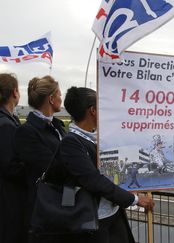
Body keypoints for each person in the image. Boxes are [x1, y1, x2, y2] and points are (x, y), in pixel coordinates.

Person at [44, 86, 154, 242]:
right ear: (93, 111)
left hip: (112, 214)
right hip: (92, 222)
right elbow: (95, 181)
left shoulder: (100, 139)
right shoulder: (72, 143)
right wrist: (134, 200)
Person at [14, 75, 66, 240]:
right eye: (59, 94)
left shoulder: (57, 126)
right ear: (51, 99)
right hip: (45, 211)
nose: (61, 98)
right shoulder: (27, 132)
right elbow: (51, 168)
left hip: (63, 202)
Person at [0, 73, 26, 243]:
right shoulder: (6, 124)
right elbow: (11, 167)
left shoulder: (9, 120)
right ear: (15, 92)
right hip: (9, 201)